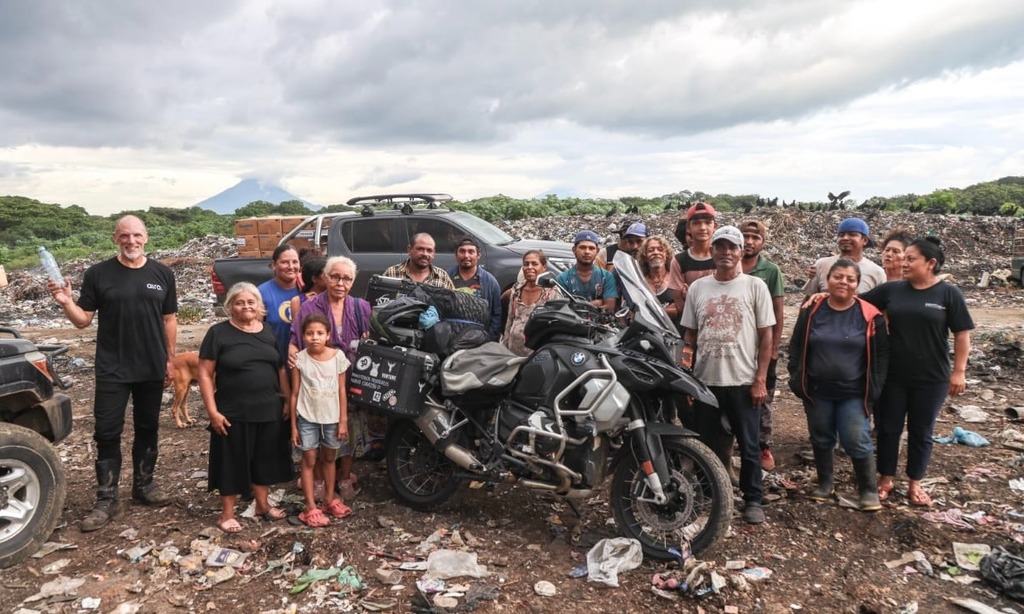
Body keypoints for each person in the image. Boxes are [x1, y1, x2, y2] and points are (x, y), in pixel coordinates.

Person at [47, 215, 177, 532]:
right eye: (124, 236)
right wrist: (65, 301)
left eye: (136, 235)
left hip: (150, 365)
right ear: (114, 239)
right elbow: (82, 321)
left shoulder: (162, 273)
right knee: (106, 431)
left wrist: (170, 360)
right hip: (112, 367)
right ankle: (106, 498)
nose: (130, 241)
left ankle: (143, 486)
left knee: (148, 427)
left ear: (146, 237)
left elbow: (169, 319)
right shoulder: (98, 274)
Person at [860, 237, 974, 507]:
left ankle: (915, 482)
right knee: (889, 428)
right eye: (904, 258)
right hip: (894, 375)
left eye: (911, 259)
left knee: (922, 431)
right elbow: (855, 301)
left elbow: (961, 335)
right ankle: (886, 478)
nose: (904, 262)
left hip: (932, 378)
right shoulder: (892, 290)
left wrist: (959, 372)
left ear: (931, 263)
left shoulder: (948, 294)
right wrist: (821, 294)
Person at [680, 225, 775, 524]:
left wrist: (760, 379)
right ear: (712, 251)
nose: (725, 252)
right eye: (720, 247)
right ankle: (710, 493)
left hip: (744, 381)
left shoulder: (755, 287)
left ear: (741, 251)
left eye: (731, 247)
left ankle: (752, 499)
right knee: (707, 443)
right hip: (707, 381)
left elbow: (766, 337)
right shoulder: (698, 289)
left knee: (749, 445)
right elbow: (689, 338)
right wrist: (687, 376)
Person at [788, 259, 890, 512]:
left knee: (856, 438)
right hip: (817, 390)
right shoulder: (811, 310)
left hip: (854, 393)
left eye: (850, 278)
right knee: (821, 437)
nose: (843, 282)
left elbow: (881, 357)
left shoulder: (869, 315)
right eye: (838, 277)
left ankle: (867, 490)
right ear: (828, 279)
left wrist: (875, 389)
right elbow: (797, 345)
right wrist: (796, 377)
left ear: (857, 284)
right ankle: (825, 484)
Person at [198, 282, 291, 533]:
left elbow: (280, 368)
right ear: (230, 307)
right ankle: (226, 514)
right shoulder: (218, 333)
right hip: (232, 411)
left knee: (265, 458)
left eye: (251, 302)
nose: (246, 306)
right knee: (231, 461)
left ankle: (262, 505)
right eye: (240, 302)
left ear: (259, 305)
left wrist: (286, 398)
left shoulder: (268, 331)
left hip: (269, 408)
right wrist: (212, 411)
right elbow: (205, 374)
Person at [290, 256, 372, 500]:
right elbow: (295, 341)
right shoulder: (309, 307)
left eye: (346, 278)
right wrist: (292, 352)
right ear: (325, 277)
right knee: (315, 434)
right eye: (335, 276)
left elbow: (370, 341)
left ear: (353, 281)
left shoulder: (361, 307)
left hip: (350, 380)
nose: (340, 282)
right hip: (317, 383)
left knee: (347, 431)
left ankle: (345, 477)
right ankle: (317, 481)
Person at [289, 313, 352, 527]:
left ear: (328, 335)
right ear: (303, 336)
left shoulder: (338, 357)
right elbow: (295, 394)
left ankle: (329, 498)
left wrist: (343, 420)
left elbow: (342, 391)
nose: (314, 337)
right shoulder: (300, 359)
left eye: (319, 333)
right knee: (308, 460)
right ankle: (310, 506)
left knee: (329, 458)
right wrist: (293, 427)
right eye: (309, 333)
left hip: (332, 418)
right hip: (307, 417)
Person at [739, 219, 785, 471]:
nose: (749, 242)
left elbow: (778, 311)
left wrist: (775, 347)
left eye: (755, 238)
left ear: (763, 242)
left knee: (762, 397)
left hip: (762, 346)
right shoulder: (729, 265)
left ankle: (762, 444)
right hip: (736, 347)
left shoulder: (770, 270)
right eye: (745, 236)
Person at [804, 218, 886, 295]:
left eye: (852, 234)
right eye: (841, 235)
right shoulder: (821, 265)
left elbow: (881, 306)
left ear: (864, 240)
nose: (845, 238)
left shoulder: (877, 272)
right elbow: (809, 299)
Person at [501, 250, 560, 356]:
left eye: (534, 264)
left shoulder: (552, 292)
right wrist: (504, 350)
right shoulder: (516, 290)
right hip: (513, 351)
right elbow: (510, 320)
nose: (529, 267)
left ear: (544, 267)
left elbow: (556, 325)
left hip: (538, 352)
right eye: (526, 264)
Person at [447, 238, 503, 340]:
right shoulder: (446, 278)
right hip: (451, 338)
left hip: (479, 339)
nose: (466, 256)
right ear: (456, 255)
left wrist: (489, 339)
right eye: (462, 251)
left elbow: (496, 314)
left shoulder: (489, 282)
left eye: (471, 252)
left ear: (478, 255)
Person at [669, 202, 718, 316]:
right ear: (688, 227)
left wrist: (691, 295)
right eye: (696, 223)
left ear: (715, 226)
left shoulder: (724, 257)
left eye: (708, 223)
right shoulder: (679, 261)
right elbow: (681, 306)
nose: (702, 228)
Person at [257, 244, 302, 361]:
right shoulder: (261, 293)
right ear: (273, 265)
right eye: (285, 262)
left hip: (304, 363)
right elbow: (256, 333)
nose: (291, 266)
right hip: (275, 361)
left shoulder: (307, 290)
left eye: (295, 262)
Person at [556, 230, 618, 312]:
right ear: (574, 250)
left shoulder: (606, 277)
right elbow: (562, 308)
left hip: (601, 324)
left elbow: (609, 307)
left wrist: (577, 305)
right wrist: (598, 303)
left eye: (591, 248)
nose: (587, 252)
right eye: (582, 247)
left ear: (597, 251)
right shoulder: (563, 279)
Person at [382, 232, 455, 289]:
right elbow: (380, 303)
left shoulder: (442, 277)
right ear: (410, 249)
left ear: (433, 253)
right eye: (420, 249)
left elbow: (454, 305)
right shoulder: (391, 273)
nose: (425, 254)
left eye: (429, 250)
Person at [637, 236, 678, 321]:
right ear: (645, 256)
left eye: (660, 249)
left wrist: (650, 311)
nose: (656, 253)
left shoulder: (676, 278)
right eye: (651, 250)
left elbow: (680, 310)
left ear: (667, 254)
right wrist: (667, 310)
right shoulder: (639, 282)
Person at [289, 255, 328, 321]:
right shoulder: (298, 301)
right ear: (314, 279)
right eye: (326, 274)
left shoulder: (334, 297)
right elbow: (297, 328)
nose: (331, 278)